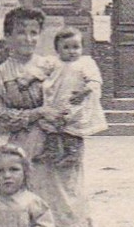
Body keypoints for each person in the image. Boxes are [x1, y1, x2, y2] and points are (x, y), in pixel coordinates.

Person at [0, 8, 99, 227]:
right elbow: (1, 116)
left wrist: (68, 116)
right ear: (8, 37)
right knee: (30, 212)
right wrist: (37, 113)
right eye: (21, 32)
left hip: (61, 144)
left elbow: (81, 93)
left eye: (34, 32)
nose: (28, 38)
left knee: (64, 209)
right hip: (25, 150)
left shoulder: (53, 64)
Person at [41, 27, 109, 166]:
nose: (71, 51)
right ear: (57, 49)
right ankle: (52, 151)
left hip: (76, 102)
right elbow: (40, 73)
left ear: (82, 48)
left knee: (73, 131)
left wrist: (84, 92)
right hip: (56, 101)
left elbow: (95, 81)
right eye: (66, 47)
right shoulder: (54, 63)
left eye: (76, 47)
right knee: (52, 127)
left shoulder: (85, 63)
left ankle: (73, 155)